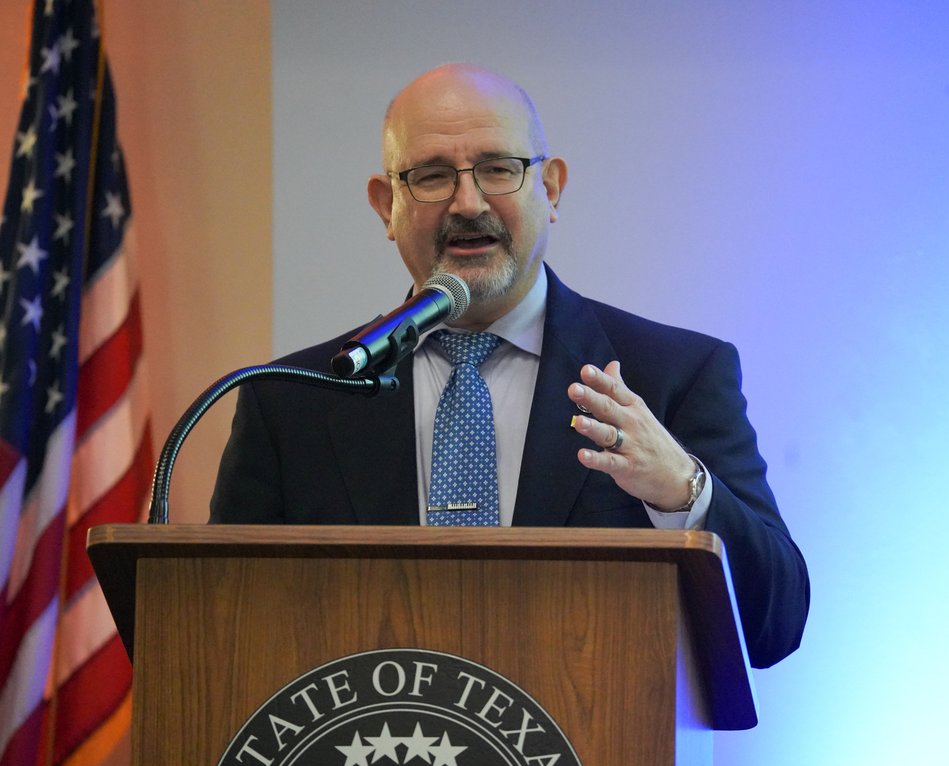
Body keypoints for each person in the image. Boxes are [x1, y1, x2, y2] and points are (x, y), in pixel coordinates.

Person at [210, 63, 808, 668]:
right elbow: (219, 635)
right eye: (432, 176)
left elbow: (773, 627)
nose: (467, 204)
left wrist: (685, 493)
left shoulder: (675, 376)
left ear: (550, 190)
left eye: (498, 169)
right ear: (385, 205)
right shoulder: (292, 403)